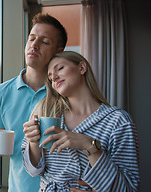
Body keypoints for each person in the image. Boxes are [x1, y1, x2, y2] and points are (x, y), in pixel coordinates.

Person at [22, 51, 140, 191]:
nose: (53, 77)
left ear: (82, 68)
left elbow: (129, 188)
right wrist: (33, 143)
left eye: (60, 68)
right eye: (49, 77)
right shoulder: (44, 112)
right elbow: (33, 171)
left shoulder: (118, 121)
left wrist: (89, 146)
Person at [0, 13, 68, 191]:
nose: (34, 45)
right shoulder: (0, 93)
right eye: (31, 39)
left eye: (44, 41)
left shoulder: (65, 93)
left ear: (58, 51)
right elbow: (3, 139)